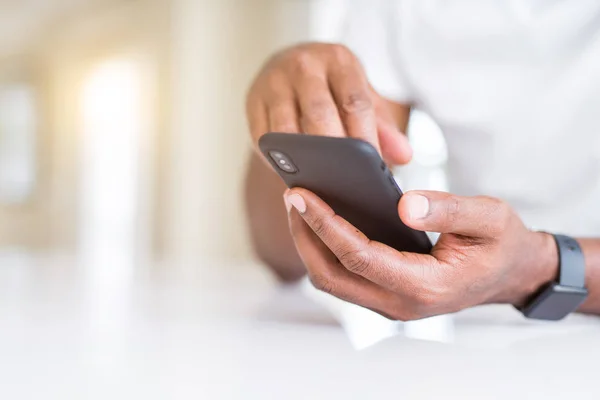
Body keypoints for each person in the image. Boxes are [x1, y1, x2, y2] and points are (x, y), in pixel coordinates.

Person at [244, 0, 600, 320]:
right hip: (476, 330)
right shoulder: (397, 10)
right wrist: (288, 115)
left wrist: (538, 267)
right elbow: (280, 255)